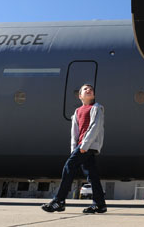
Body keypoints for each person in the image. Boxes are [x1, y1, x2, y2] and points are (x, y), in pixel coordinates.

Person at [41, 84, 107, 214]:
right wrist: (74, 148)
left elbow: (95, 127)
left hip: (87, 146)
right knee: (92, 174)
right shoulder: (77, 111)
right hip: (81, 146)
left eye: (91, 89)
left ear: (93, 95)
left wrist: (84, 145)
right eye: (85, 89)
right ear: (80, 96)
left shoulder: (96, 108)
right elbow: (74, 133)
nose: (89, 90)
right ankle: (100, 204)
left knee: (69, 166)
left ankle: (59, 201)